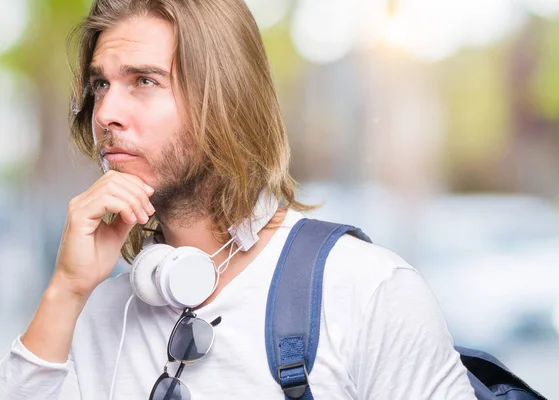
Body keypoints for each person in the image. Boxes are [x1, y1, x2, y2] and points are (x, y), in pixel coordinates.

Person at [0, 0, 477, 398]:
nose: (106, 113)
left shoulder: (366, 290)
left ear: (224, 99)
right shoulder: (97, 312)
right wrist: (65, 290)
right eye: (101, 84)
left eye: (144, 81)